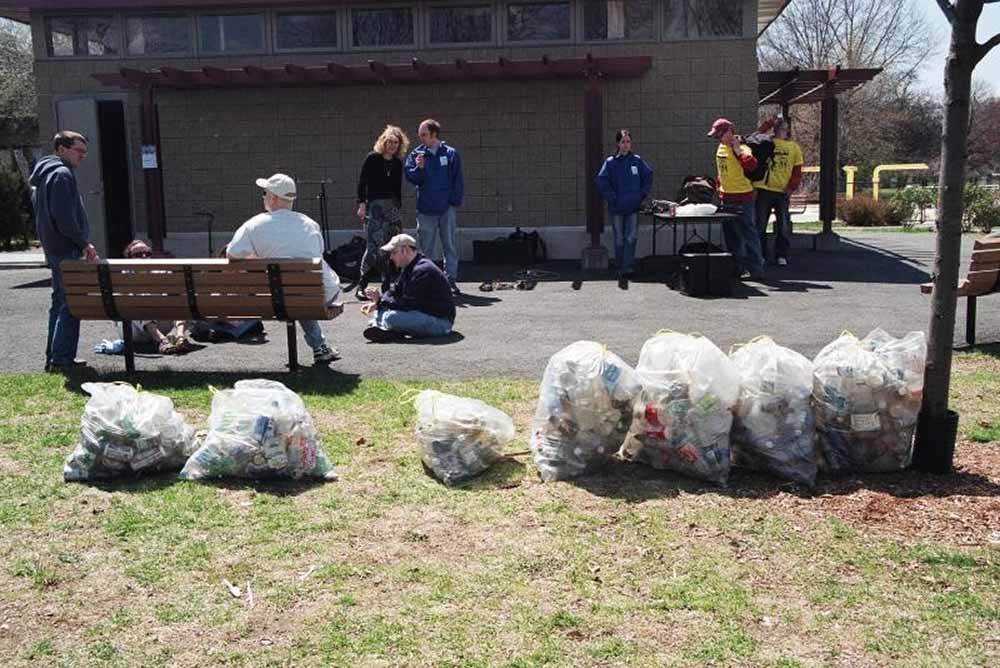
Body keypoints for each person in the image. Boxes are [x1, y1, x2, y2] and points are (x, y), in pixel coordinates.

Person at [227, 173, 343, 364]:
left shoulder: (254, 225)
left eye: (265, 193)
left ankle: (320, 345)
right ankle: (320, 346)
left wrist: (255, 256)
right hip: (319, 293)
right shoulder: (309, 224)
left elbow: (232, 254)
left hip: (276, 298)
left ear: (273, 197)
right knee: (300, 294)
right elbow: (318, 251)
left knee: (292, 293)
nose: (263, 197)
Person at [31, 130, 98, 372]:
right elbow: (65, 219)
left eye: (84, 151)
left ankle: (55, 357)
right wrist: (84, 243)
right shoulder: (61, 175)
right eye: (78, 150)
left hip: (55, 249)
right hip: (66, 250)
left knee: (59, 303)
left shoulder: (45, 175)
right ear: (61, 149)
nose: (83, 156)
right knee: (70, 304)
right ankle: (61, 359)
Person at [404, 119, 464, 296]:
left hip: (447, 209)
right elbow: (412, 177)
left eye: (424, 135)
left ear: (434, 134)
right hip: (425, 209)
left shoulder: (451, 153)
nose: (420, 138)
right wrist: (419, 167)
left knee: (450, 245)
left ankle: (450, 281)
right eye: (420, 135)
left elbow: (457, 180)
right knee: (425, 248)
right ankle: (426, 282)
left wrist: (453, 202)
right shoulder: (416, 155)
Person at [360, 233, 455, 343]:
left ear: (404, 250)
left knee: (389, 317)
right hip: (423, 313)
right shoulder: (410, 267)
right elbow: (393, 291)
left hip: (440, 322)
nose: (391, 257)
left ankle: (383, 326)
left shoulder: (422, 270)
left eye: (394, 253)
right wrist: (378, 303)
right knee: (383, 312)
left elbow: (408, 304)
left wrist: (381, 301)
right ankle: (386, 328)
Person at [355, 125, 409, 301]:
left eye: (396, 142)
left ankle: (387, 285)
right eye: (390, 142)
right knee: (373, 246)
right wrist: (362, 205)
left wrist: (397, 208)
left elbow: (397, 188)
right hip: (375, 206)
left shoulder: (397, 163)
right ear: (383, 142)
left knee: (391, 245)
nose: (392, 145)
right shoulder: (372, 159)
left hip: (391, 207)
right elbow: (362, 183)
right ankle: (361, 284)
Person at [708, 118, 765, 280]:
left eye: (720, 134)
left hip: (743, 197)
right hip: (726, 197)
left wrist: (738, 151)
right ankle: (737, 268)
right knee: (731, 235)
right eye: (716, 135)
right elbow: (722, 170)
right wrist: (719, 187)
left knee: (748, 234)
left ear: (729, 132)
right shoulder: (720, 148)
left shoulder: (742, 148)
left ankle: (756, 269)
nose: (718, 138)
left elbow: (752, 165)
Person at [595, 129, 653, 284]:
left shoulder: (637, 161)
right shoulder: (610, 163)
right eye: (623, 141)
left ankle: (628, 267)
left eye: (628, 141)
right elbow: (602, 181)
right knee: (619, 238)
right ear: (617, 144)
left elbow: (648, 176)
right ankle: (620, 266)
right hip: (617, 207)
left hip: (633, 206)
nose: (626, 144)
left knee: (631, 237)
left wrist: (641, 195)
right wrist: (612, 198)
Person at [120, 239, 194, 354]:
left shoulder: (161, 273)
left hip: (160, 323)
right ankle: (162, 340)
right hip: (133, 329)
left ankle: (180, 337)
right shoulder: (124, 276)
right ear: (129, 258)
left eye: (147, 254)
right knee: (138, 300)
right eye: (138, 255)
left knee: (178, 298)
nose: (144, 257)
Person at [753, 116, 803, 267]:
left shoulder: (794, 147)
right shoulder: (768, 142)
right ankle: (761, 254)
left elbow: (797, 170)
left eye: (785, 128)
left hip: (782, 192)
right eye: (780, 128)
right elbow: (755, 136)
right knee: (760, 224)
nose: (783, 131)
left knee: (783, 226)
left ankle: (781, 254)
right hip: (764, 189)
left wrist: (791, 188)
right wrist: (769, 123)